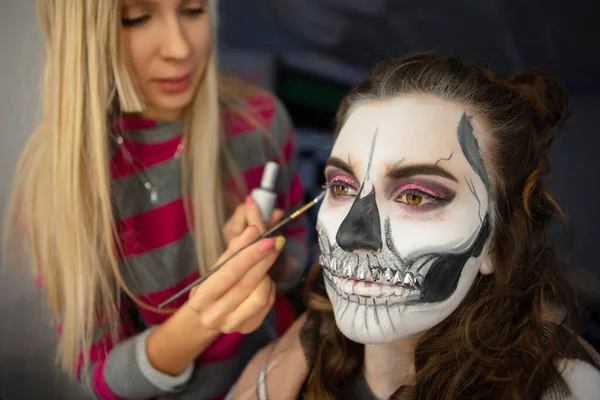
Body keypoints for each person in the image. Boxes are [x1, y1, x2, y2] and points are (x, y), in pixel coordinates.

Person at [227, 52, 600, 399]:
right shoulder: (279, 369)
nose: (350, 235)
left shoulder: (570, 388)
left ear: (499, 241)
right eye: (341, 187)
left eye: (415, 196)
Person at [3, 0, 308, 399]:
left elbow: (301, 258)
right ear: (83, 37)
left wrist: (274, 258)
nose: (180, 49)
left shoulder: (262, 122)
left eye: (194, 10)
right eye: (137, 18)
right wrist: (204, 319)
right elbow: (102, 380)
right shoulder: (60, 185)